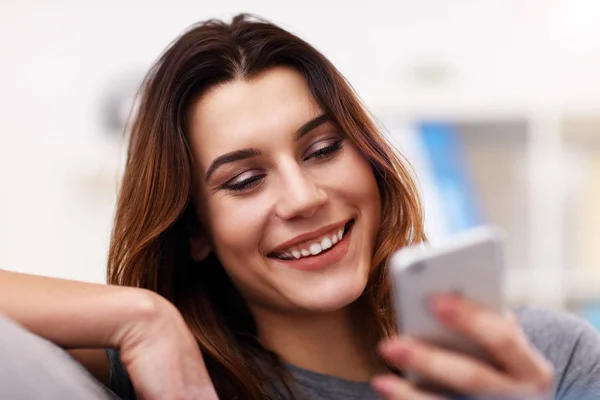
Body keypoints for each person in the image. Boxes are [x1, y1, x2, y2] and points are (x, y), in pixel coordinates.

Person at [1, 14, 599, 400]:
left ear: (368, 157)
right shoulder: (158, 374)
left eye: (322, 149)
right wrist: (143, 317)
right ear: (195, 230)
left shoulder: (550, 357)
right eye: (244, 180)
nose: (304, 197)